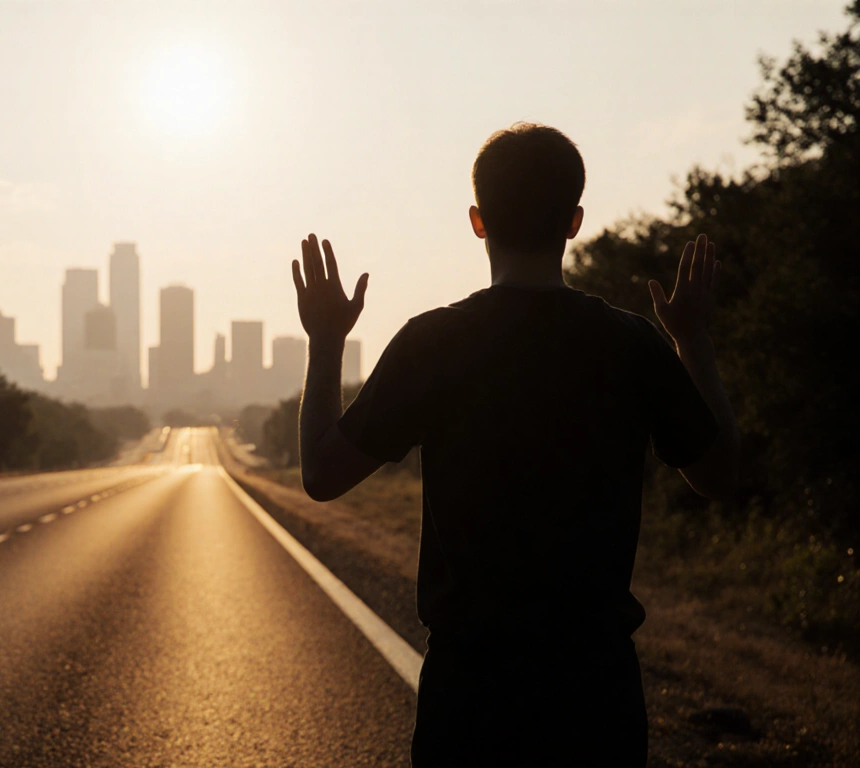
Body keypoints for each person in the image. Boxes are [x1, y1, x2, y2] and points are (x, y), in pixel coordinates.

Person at [290, 122, 740, 766]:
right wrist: (694, 343)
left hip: (472, 694)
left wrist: (327, 342)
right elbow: (720, 474)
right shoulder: (632, 343)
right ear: (575, 220)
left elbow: (322, 476)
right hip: (597, 695)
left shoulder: (434, 343)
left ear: (477, 221)